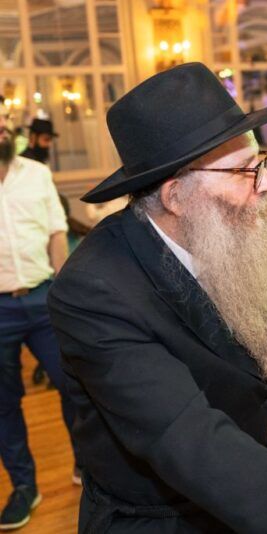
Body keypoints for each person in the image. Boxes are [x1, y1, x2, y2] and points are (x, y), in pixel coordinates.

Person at [46, 63, 267, 534]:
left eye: (262, 162)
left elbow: (259, 294)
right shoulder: (93, 291)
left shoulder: (209, 232)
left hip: (252, 485)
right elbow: (186, 435)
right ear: (176, 196)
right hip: (162, 519)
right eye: (245, 171)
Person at [0, 113, 79, 530]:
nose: (2, 126)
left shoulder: (36, 174)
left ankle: (87, 464)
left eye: (3, 119)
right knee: (3, 403)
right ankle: (24, 487)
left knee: (75, 384)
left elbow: (56, 233)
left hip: (42, 296)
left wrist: (63, 295)